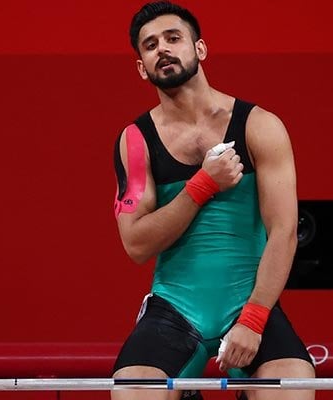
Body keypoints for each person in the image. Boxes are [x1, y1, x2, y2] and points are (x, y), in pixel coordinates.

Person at [111, 2, 315, 400]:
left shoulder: (260, 126)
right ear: (142, 67)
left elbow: (284, 232)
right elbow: (136, 244)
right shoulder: (135, 140)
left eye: (173, 38)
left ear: (200, 49)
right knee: (131, 391)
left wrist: (254, 319)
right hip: (174, 311)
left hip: (249, 303)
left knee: (293, 388)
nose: (162, 50)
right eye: (150, 45)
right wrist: (202, 184)